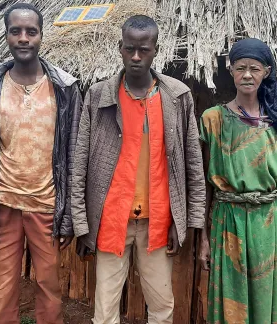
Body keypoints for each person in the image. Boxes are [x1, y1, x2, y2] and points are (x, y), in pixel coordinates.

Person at [71, 15, 206, 324]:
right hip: (110, 219)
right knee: (104, 311)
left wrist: (185, 221)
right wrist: (82, 223)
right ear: (120, 48)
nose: (135, 56)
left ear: (155, 50)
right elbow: (80, 162)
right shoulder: (98, 96)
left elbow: (192, 164)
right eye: (129, 48)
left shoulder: (177, 97)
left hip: (158, 222)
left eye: (143, 49)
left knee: (161, 308)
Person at [0, 3, 83, 323]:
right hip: (2, 204)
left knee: (48, 287)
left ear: (41, 36)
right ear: (6, 35)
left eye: (30, 31)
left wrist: (69, 216)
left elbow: (73, 155)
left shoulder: (64, 88)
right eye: (15, 31)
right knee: (3, 291)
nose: (23, 38)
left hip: (47, 204)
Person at [198, 38, 277, 324]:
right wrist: (204, 238)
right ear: (230, 70)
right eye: (240, 68)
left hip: (270, 223)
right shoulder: (213, 119)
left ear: (266, 71)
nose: (247, 75)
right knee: (231, 300)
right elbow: (204, 184)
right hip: (227, 221)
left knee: (266, 297)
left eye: (254, 69)